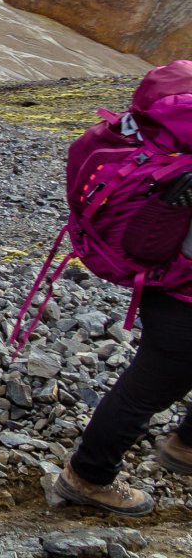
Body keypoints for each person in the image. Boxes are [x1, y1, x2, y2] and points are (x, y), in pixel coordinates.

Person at [53, 170, 192, 515]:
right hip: (183, 292)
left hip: (172, 284)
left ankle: (186, 446)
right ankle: (89, 476)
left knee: (148, 386)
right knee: (144, 391)